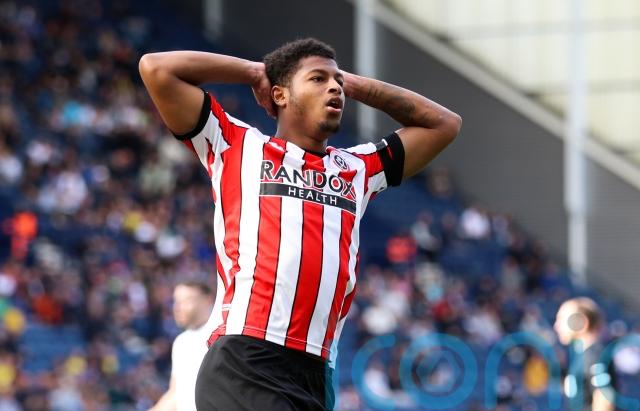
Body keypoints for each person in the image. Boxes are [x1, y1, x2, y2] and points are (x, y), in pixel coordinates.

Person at [139, 37, 461, 410]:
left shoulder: (357, 168)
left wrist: (355, 85)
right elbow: (156, 68)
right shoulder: (237, 145)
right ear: (280, 94)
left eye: (338, 81)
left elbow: (444, 124)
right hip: (247, 357)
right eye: (318, 79)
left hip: (316, 371)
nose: (334, 87)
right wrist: (254, 72)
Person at [150, 281, 214, 411]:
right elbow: (176, 393)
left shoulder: (222, 335)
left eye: (186, 300)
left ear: (208, 300)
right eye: (176, 301)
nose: (177, 307)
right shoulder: (181, 342)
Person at [554, 297, 618, 411]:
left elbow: (604, 402)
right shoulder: (582, 355)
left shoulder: (595, 355)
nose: (556, 326)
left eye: (562, 319)